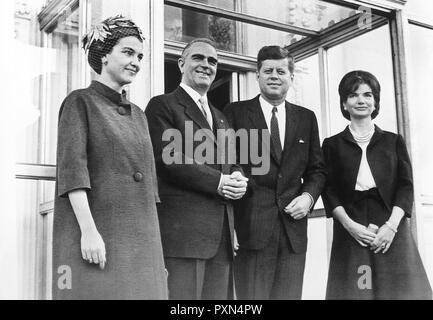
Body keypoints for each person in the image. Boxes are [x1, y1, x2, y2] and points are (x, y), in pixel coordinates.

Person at [52, 15, 167, 300]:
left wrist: (157, 256)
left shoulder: (139, 115)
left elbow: (149, 192)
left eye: (140, 56)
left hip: (142, 244)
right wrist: (89, 232)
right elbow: (73, 174)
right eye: (127, 52)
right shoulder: (80, 102)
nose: (136, 62)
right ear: (103, 55)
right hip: (101, 235)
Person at [145, 38, 248, 300]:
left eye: (212, 61)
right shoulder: (162, 105)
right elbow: (169, 158)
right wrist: (220, 181)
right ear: (181, 64)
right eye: (198, 58)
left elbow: (230, 161)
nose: (206, 65)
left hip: (221, 239)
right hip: (184, 238)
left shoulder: (220, 116)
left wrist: (237, 177)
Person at [224, 46, 326, 300]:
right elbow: (226, 165)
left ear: (291, 77)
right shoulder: (234, 113)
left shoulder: (306, 118)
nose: (274, 76)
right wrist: (230, 225)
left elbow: (317, 170)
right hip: (251, 229)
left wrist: (308, 198)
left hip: (293, 231)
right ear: (257, 75)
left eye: (281, 71)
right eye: (267, 70)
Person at [322, 70, 432, 300]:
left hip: (390, 225)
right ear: (344, 103)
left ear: (375, 102)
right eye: (353, 95)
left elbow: (405, 186)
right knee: (356, 293)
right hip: (351, 225)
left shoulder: (393, 141)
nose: (361, 100)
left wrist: (391, 227)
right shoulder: (332, 145)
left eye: (367, 95)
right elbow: (329, 190)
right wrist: (350, 226)